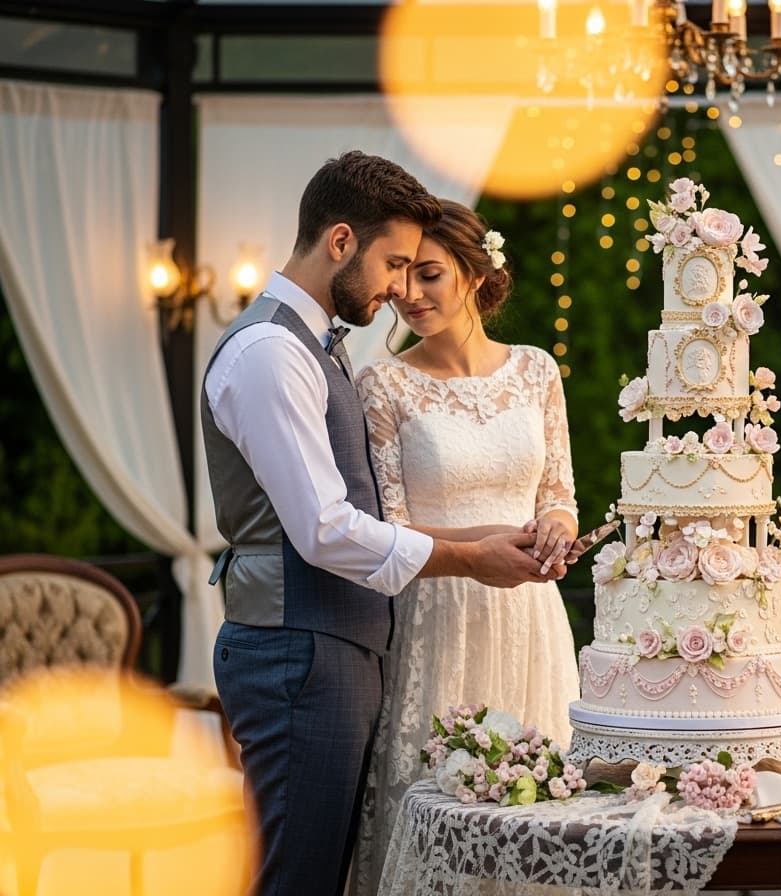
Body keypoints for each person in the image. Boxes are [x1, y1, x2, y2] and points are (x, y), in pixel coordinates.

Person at [201, 152, 562, 896]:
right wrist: (471, 559)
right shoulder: (272, 352)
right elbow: (326, 530)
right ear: (341, 242)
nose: (400, 287)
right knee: (298, 877)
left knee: (317, 872)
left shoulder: (310, 346)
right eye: (395, 264)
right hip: (297, 650)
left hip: (333, 645)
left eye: (419, 269)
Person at [350, 200, 581, 894]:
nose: (411, 296)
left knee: (542, 815)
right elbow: (389, 527)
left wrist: (558, 529)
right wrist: (486, 545)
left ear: (476, 274)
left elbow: (558, 492)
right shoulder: (383, 383)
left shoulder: (537, 371)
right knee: (441, 810)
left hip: (531, 621)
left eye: (430, 276)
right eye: (404, 279)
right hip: (437, 618)